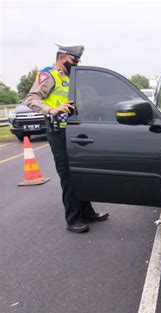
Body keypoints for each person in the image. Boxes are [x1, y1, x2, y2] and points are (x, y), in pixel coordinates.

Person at [24, 44, 109, 233]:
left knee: (80, 172)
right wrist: (51, 110)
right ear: (62, 57)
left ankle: (87, 212)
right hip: (59, 132)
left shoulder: (71, 78)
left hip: (75, 131)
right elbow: (31, 99)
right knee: (68, 176)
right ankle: (73, 219)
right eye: (74, 60)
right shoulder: (48, 75)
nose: (77, 64)